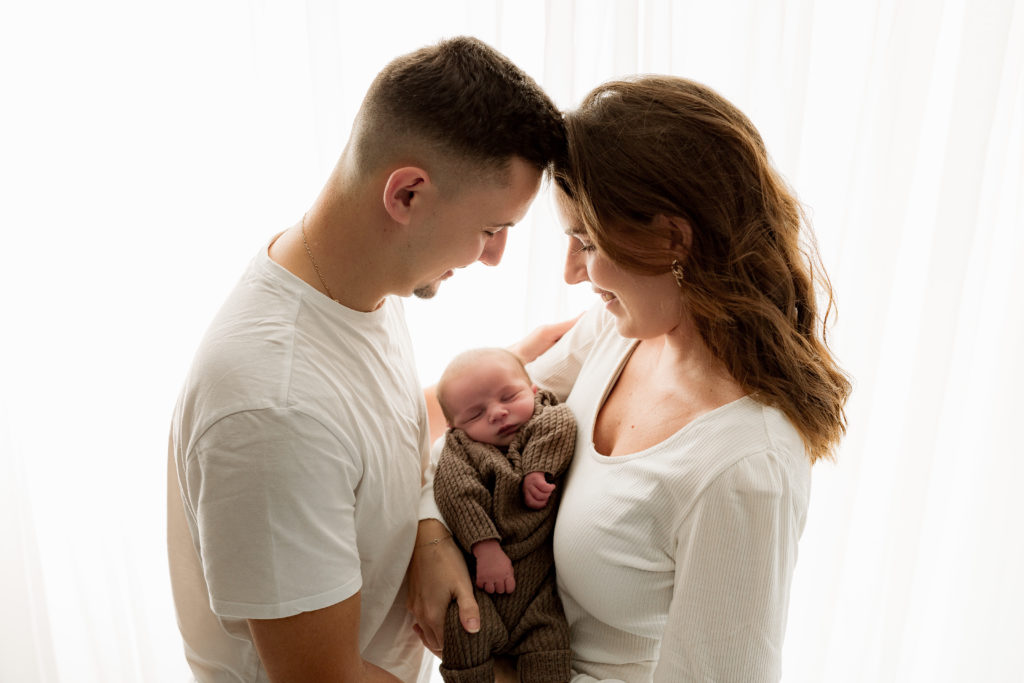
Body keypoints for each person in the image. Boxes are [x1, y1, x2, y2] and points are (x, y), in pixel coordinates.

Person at [410, 75, 852, 682]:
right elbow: (469, 437)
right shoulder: (615, 333)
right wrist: (431, 535)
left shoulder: (745, 468)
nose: (572, 273)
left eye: (586, 243)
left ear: (672, 239)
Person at [166, 37, 566, 683]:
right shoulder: (273, 404)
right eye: (492, 229)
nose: (493, 256)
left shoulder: (361, 282)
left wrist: (431, 530)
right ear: (407, 194)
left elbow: (371, 440)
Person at [432, 348, 575, 682]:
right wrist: (486, 547)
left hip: (539, 593)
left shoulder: (545, 415)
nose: (498, 413)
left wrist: (538, 470)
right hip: (482, 585)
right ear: (454, 426)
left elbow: (561, 425)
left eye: (509, 396)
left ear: (534, 391)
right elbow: (458, 493)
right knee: (464, 629)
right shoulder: (462, 448)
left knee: (550, 642)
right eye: (475, 414)